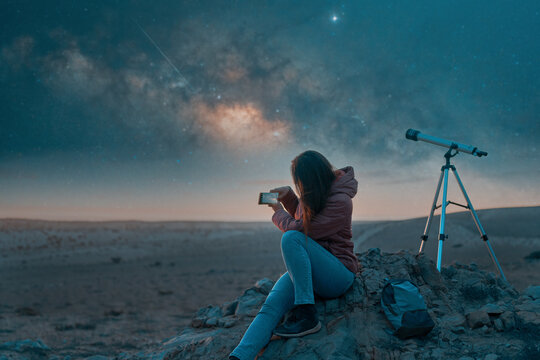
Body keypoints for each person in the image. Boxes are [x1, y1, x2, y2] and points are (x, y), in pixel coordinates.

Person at [229, 150, 359, 360]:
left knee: (290, 238)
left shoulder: (341, 201)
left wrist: (278, 212)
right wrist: (290, 197)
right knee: (271, 306)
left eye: (299, 182)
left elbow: (302, 231)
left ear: (310, 179)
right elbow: (304, 219)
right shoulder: (317, 195)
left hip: (338, 275)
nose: (300, 186)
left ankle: (307, 315)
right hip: (313, 270)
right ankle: (239, 356)